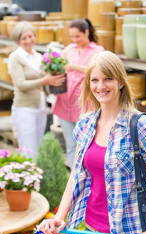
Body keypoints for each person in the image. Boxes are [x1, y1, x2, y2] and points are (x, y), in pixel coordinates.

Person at [38, 51, 146, 234]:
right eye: (94, 80)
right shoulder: (85, 124)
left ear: (120, 82)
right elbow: (77, 175)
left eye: (108, 79)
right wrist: (60, 216)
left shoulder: (140, 126)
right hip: (96, 232)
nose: (101, 86)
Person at [8, 21, 65, 159]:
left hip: (41, 107)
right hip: (25, 109)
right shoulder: (15, 57)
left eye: (30, 36)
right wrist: (44, 80)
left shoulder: (38, 56)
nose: (28, 40)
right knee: (28, 151)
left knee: (38, 148)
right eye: (24, 38)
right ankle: (26, 179)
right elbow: (20, 84)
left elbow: (44, 83)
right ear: (18, 40)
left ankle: (36, 180)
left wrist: (54, 82)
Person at [52, 18, 104, 168]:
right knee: (71, 145)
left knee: (86, 145)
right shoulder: (69, 49)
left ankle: (86, 178)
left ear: (86, 32)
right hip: (65, 103)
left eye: (78, 36)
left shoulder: (98, 51)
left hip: (85, 105)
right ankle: (72, 182)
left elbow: (97, 70)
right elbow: (59, 68)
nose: (75, 40)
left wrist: (73, 66)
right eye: (72, 37)